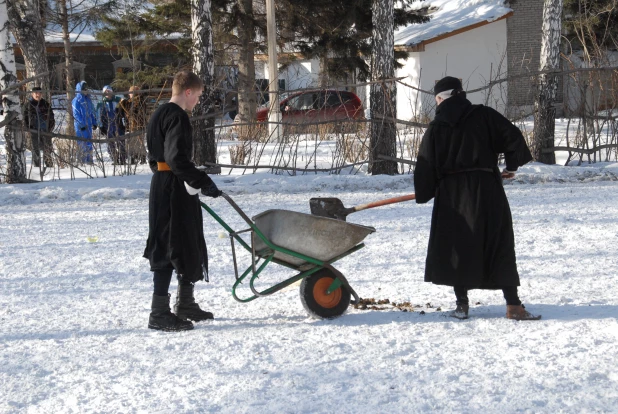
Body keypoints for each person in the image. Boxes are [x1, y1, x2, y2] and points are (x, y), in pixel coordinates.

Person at [414, 76, 541, 321]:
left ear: (442, 98)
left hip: (452, 195)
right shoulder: (484, 115)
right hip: (487, 190)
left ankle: (462, 306)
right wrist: (511, 166)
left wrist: (427, 191)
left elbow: (425, 165)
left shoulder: (437, 126)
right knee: (498, 243)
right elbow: (514, 138)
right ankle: (513, 305)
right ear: (461, 94)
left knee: (458, 245)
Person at [143, 71, 223, 332]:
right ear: (188, 92)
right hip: (173, 189)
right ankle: (159, 313)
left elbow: (155, 159)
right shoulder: (178, 116)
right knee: (171, 244)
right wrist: (201, 180)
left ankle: (185, 303)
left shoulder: (159, 113)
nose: (197, 101)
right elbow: (176, 158)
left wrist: (173, 178)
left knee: (186, 240)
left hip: (165, 185)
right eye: (198, 96)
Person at [22, 86, 55, 168]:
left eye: (39, 93)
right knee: (35, 150)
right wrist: (28, 128)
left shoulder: (46, 104)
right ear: (32, 94)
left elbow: (51, 117)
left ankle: (49, 167)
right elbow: (24, 118)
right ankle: (37, 168)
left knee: (47, 149)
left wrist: (50, 128)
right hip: (34, 130)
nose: (38, 95)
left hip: (45, 130)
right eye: (36, 93)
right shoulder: (28, 105)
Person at [119, 85, 148, 164]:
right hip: (134, 125)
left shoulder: (138, 101)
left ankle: (141, 158)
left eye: (130, 93)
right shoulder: (133, 101)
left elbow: (132, 112)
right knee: (134, 142)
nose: (129, 94)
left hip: (138, 125)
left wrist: (124, 104)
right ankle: (135, 158)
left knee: (137, 142)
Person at [97, 85, 126, 164]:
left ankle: (123, 159)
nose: (107, 93)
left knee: (121, 142)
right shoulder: (101, 103)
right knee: (110, 144)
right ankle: (115, 159)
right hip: (108, 126)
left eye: (109, 91)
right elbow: (98, 115)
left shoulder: (118, 100)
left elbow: (125, 111)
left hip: (118, 125)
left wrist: (124, 123)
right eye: (106, 91)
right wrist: (101, 126)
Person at [71, 81, 98, 164]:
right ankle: (82, 162)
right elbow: (76, 114)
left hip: (88, 125)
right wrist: (82, 124)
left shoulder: (88, 100)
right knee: (82, 143)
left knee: (89, 143)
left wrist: (94, 122)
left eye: (87, 89)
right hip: (80, 127)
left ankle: (89, 161)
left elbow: (91, 113)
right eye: (84, 89)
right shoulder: (76, 100)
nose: (86, 91)